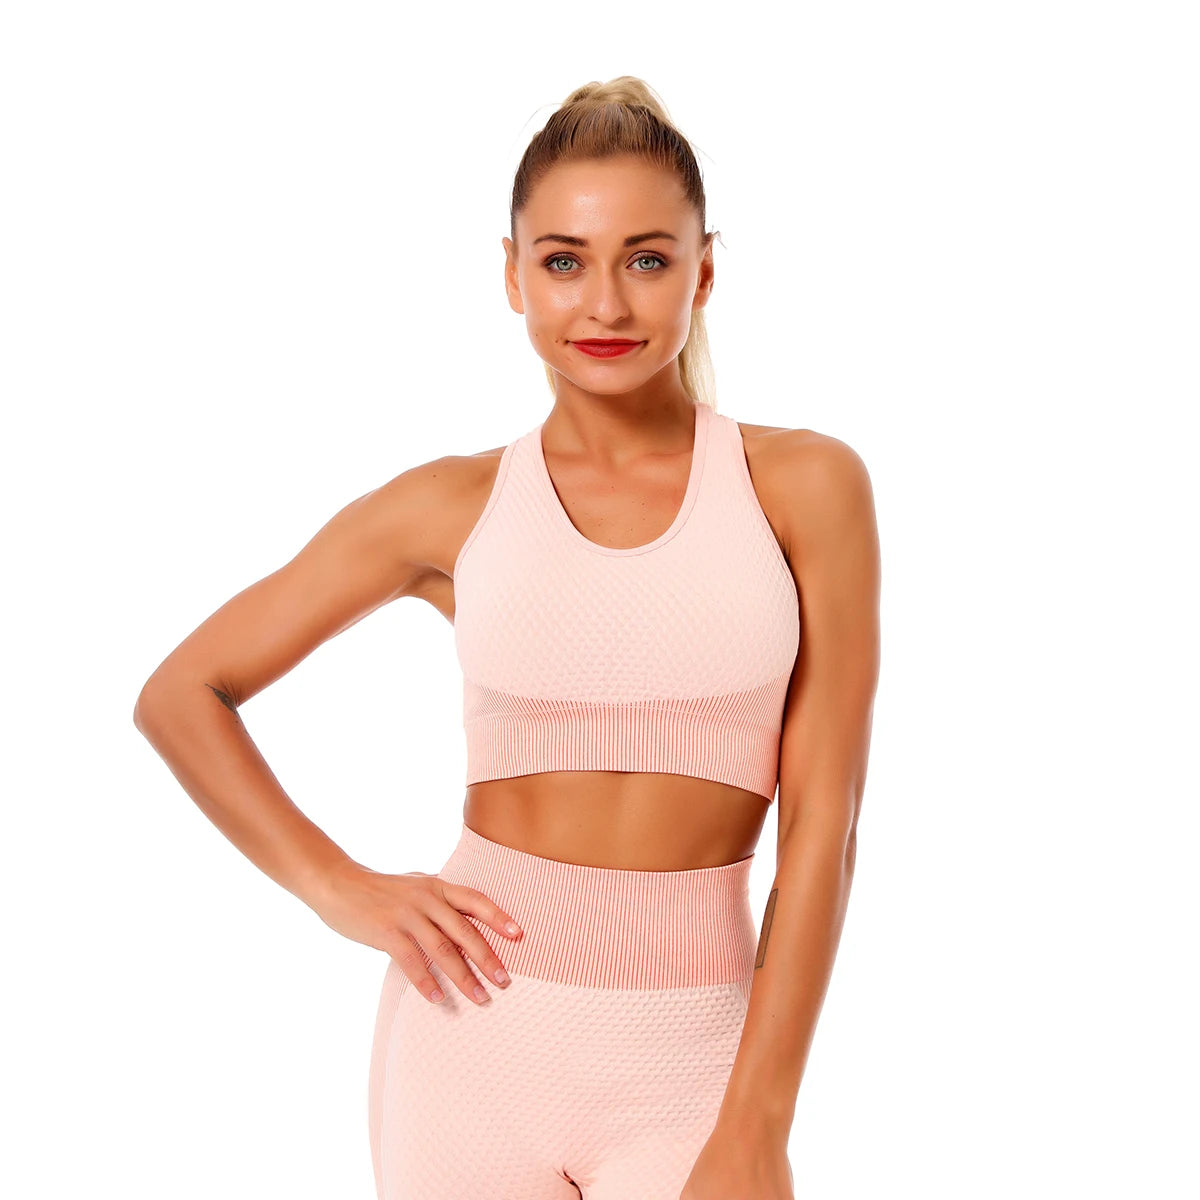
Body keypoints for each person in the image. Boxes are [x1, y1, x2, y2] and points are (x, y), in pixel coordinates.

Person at [133, 75, 880, 1200]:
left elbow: (825, 826)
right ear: (513, 275)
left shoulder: (805, 486)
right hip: (469, 1037)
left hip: (697, 1062)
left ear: (703, 272)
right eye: (564, 262)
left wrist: (758, 1122)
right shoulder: (452, 505)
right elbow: (183, 691)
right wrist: (337, 887)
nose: (605, 306)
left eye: (647, 259)